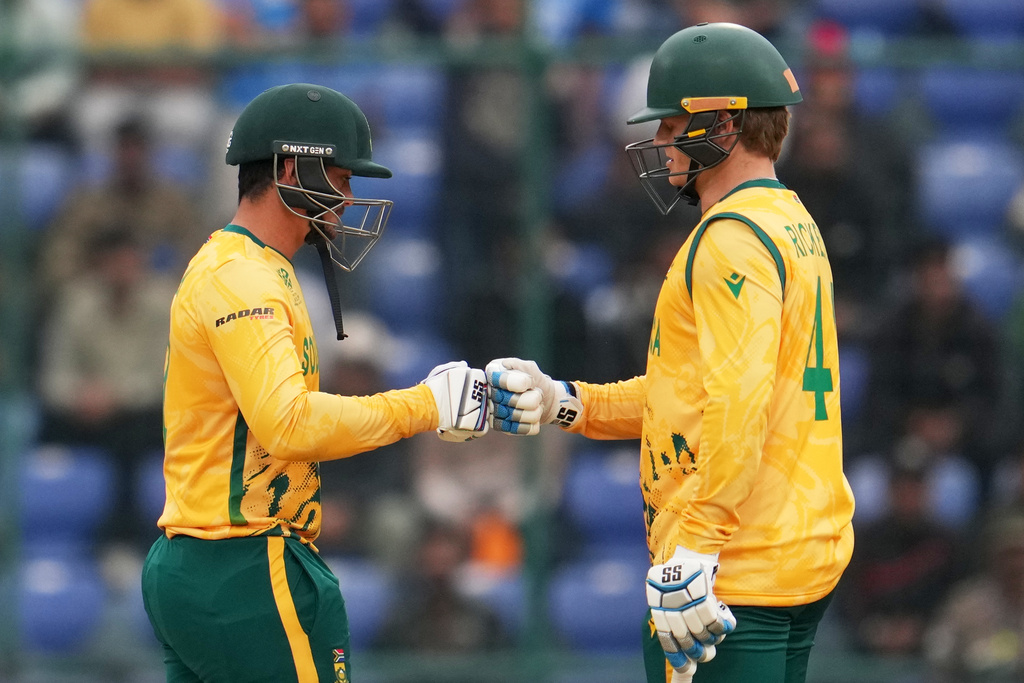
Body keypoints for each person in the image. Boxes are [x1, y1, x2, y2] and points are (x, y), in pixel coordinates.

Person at [486, 22, 855, 683]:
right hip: (792, 552)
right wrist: (568, 402)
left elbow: (737, 404)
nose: (658, 144)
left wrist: (693, 548)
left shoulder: (730, 240)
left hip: (734, 570)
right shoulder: (791, 220)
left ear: (720, 125)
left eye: (668, 125)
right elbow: (693, 392)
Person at [140, 83, 489, 683]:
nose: (350, 198)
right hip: (247, 562)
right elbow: (290, 425)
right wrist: (424, 405)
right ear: (292, 168)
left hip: (201, 560)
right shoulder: (244, 278)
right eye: (342, 176)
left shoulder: (247, 266)